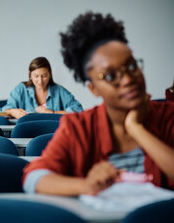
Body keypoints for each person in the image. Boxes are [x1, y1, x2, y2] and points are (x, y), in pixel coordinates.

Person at [23, 12, 174, 196]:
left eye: (132, 66)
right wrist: (85, 186)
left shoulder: (168, 116)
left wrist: (136, 129)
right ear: (94, 88)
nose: (127, 80)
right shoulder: (79, 127)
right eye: (110, 76)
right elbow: (33, 178)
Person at [2, 57, 83, 119]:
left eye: (44, 76)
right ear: (30, 74)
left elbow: (78, 110)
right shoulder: (20, 89)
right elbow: (5, 110)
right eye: (36, 76)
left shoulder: (59, 90)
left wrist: (52, 112)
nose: (40, 81)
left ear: (50, 74)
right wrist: (12, 112)